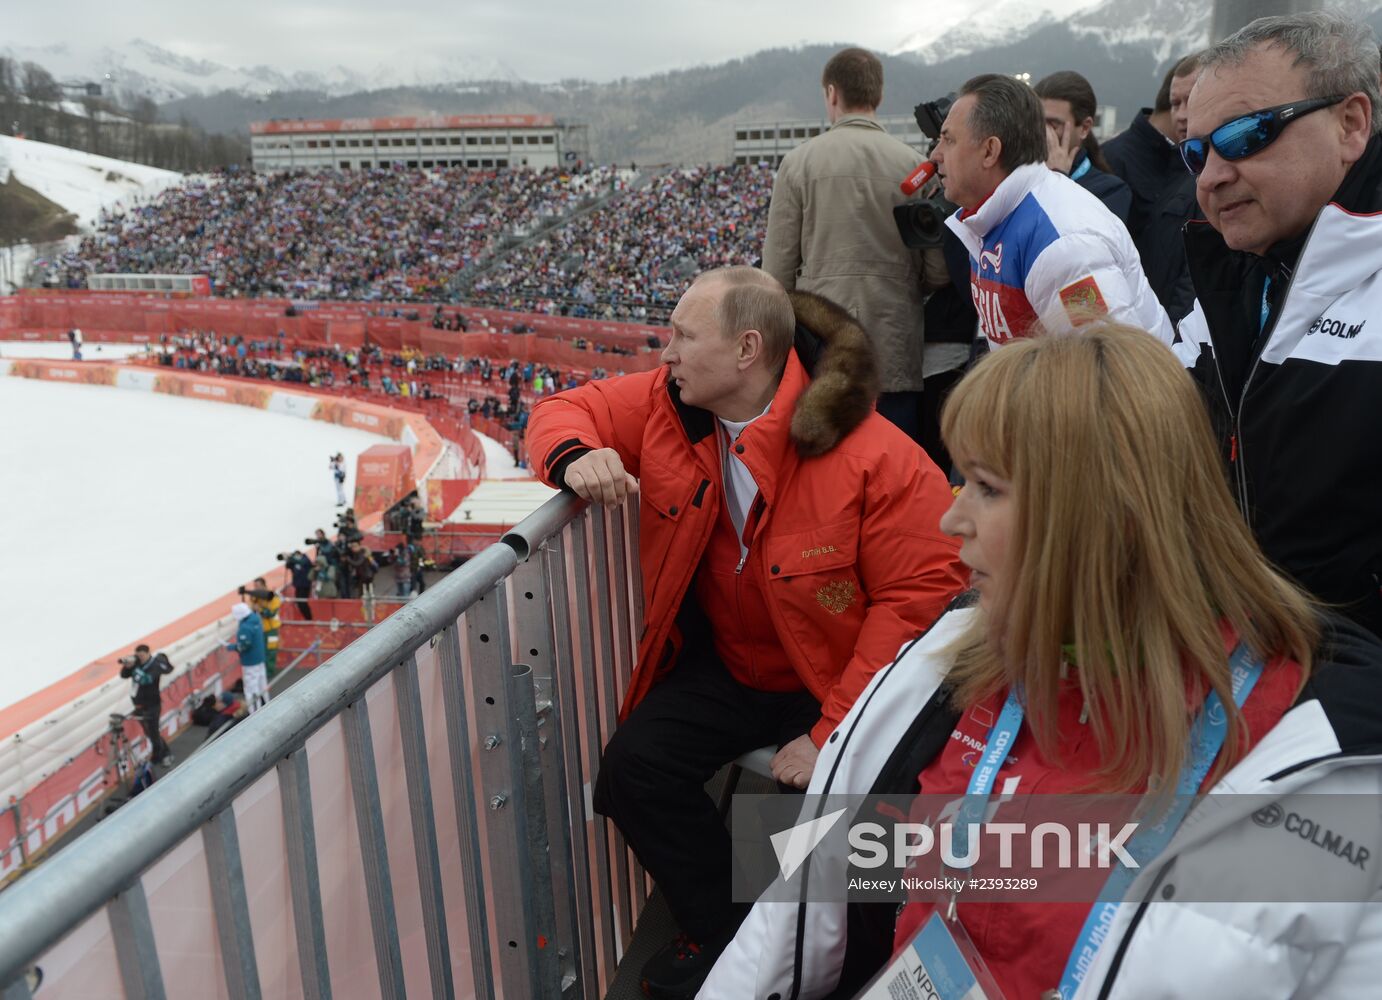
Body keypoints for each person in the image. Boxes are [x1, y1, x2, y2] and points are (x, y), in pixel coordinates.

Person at [705, 323, 1382, 999]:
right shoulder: (944, 661)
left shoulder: (1319, 764)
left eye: (987, 487)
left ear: (1104, 515)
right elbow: (800, 906)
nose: (952, 519)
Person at [526, 267, 966, 998]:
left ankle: (802, 962)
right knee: (633, 771)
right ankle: (729, 935)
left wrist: (831, 731)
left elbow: (917, 599)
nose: (664, 354)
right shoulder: (667, 406)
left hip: (831, 683)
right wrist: (577, 456)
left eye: (683, 337)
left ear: (746, 350)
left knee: (820, 826)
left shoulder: (875, 454)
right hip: (731, 666)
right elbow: (564, 409)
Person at [1177, 11, 1382, 636]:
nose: (1210, 175)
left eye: (1245, 135)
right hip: (1250, 672)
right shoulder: (1230, 275)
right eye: (1194, 151)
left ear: (1350, 124)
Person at [761, 47, 946, 441]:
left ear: (832, 93)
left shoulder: (799, 163)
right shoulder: (914, 165)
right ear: (877, 96)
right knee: (896, 471)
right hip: (893, 343)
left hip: (821, 347)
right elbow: (937, 270)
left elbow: (775, 274)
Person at [931, 74, 1173, 349]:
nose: (935, 155)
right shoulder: (993, 218)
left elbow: (1111, 366)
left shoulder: (1064, 243)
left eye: (948, 140)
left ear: (990, 151)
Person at [1103, 53, 1206, 323]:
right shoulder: (1183, 175)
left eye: (1191, 100)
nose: (1182, 115)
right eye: (1175, 103)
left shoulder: (1213, 178)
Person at [1033, 71, 1132, 221]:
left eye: (1053, 125)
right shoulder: (1019, 173)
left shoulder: (1110, 191)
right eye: (1037, 122)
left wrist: (1057, 178)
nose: (1043, 133)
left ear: (1085, 128)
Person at [119, 644, 174, 766]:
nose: (140, 658)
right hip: (139, 705)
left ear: (148, 653)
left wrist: (135, 668)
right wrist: (128, 666)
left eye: (142, 656)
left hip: (152, 705)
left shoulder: (155, 665)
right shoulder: (137, 664)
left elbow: (146, 679)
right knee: (149, 732)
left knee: (153, 732)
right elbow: (123, 675)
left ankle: (161, 756)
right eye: (138, 656)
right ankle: (163, 753)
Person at [228, 602, 269, 713]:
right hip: (260, 659)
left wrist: (231, 647)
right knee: (262, 685)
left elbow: (244, 646)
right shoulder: (255, 618)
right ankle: (267, 706)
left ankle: (254, 713)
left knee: (251, 690)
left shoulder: (245, 628)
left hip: (250, 662)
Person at [243, 578, 282, 678]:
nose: (255, 588)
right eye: (254, 586)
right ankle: (263, 672)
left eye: (257, 586)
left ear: (264, 585)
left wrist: (259, 609)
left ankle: (269, 672)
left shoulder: (273, 597)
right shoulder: (256, 597)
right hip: (261, 630)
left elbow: (271, 613)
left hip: (272, 630)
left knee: (271, 651)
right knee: (262, 651)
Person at [282, 549, 314, 620]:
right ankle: (306, 618)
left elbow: (302, 562)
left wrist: (291, 557)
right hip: (298, 585)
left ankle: (309, 618)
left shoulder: (305, 560)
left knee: (303, 603)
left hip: (305, 585)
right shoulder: (294, 562)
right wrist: (287, 559)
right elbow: (288, 566)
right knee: (299, 602)